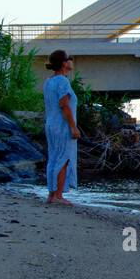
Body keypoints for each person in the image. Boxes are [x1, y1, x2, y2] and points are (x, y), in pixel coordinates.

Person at [42, 50, 80, 205]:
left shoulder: (48, 81)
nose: (71, 62)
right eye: (69, 59)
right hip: (62, 125)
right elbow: (64, 105)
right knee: (63, 158)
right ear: (64, 63)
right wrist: (73, 127)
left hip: (50, 124)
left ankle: (51, 195)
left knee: (53, 158)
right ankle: (58, 196)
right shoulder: (63, 81)